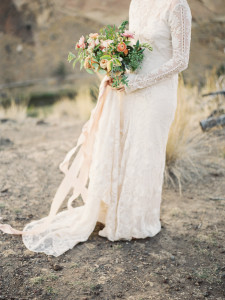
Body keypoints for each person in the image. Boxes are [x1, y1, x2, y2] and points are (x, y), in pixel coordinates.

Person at [0, 0, 192, 257]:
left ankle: (138, 222)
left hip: (156, 93)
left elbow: (181, 60)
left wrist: (140, 82)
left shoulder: (177, 6)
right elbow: (132, 44)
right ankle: (116, 216)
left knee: (146, 153)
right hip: (128, 89)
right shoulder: (138, 3)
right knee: (124, 149)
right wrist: (115, 66)